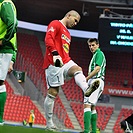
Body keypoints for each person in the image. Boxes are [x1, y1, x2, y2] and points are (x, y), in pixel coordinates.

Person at [43, 10, 100, 130]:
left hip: (66, 61)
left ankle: (87, 90)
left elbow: (65, 51)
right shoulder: (55, 24)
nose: (75, 23)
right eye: (75, 20)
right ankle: (49, 123)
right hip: (54, 62)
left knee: (77, 69)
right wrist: (54, 53)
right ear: (68, 16)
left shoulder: (68, 34)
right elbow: (48, 38)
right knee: (53, 92)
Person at [80, 38, 106, 133]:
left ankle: (86, 131)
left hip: (96, 80)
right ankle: (94, 131)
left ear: (98, 45)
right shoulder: (96, 55)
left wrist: (86, 78)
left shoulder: (99, 54)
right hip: (99, 81)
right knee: (93, 106)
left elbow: (97, 69)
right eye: (90, 46)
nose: (91, 47)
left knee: (87, 104)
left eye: (93, 45)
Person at [0, 0, 18, 125]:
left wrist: (3, 41)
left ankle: (0, 118)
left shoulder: (5, 3)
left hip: (3, 49)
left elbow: (13, 24)